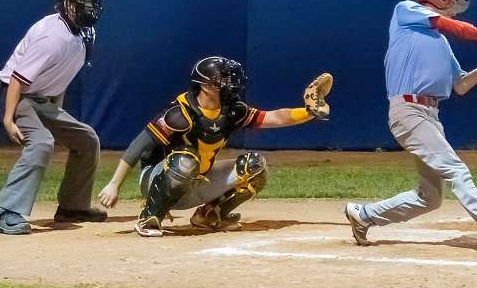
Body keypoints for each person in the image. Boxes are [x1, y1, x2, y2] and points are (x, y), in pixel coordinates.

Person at [344, 0, 477, 256]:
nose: (455, 10)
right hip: (408, 111)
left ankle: (364, 215)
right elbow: (452, 26)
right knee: (456, 170)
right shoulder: (406, 11)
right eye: (453, 2)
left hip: (429, 115)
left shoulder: (441, 43)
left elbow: (461, 85)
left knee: (430, 197)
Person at [97, 56, 332, 238]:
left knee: (254, 166)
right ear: (206, 86)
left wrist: (309, 112)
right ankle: (150, 216)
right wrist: (114, 184)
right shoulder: (180, 113)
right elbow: (139, 145)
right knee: (187, 159)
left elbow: (274, 117)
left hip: (198, 179)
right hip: (157, 179)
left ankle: (210, 216)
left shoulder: (231, 111)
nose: (231, 85)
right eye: (224, 80)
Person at [0, 0, 105, 235]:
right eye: (84, 2)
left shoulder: (84, 35)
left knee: (87, 140)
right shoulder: (53, 36)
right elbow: (17, 78)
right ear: (68, 3)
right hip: (14, 94)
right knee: (41, 143)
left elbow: (60, 77)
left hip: (41, 98)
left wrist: (55, 112)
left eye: (93, 2)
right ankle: (5, 213)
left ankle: (73, 207)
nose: (91, 7)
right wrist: (8, 119)